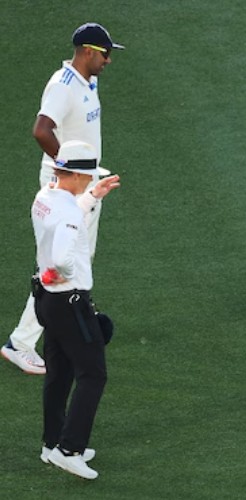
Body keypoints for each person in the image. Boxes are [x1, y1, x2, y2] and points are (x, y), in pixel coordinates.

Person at [2, 22, 124, 375]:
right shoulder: (63, 86)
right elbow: (41, 129)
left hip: (82, 183)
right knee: (58, 265)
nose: (109, 60)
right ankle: (20, 343)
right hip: (69, 186)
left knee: (78, 258)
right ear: (87, 51)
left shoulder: (89, 80)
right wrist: (70, 171)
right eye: (105, 53)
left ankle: (65, 326)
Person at [33, 141, 121, 479]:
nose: (89, 181)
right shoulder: (68, 212)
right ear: (78, 175)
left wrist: (92, 196)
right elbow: (62, 258)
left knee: (60, 373)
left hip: (47, 300)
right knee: (93, 374)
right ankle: (69, 450)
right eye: (87, 178)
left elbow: (63, 219)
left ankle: (52, 442)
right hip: (69, 302)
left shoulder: (45, 197)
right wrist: (63, 272)